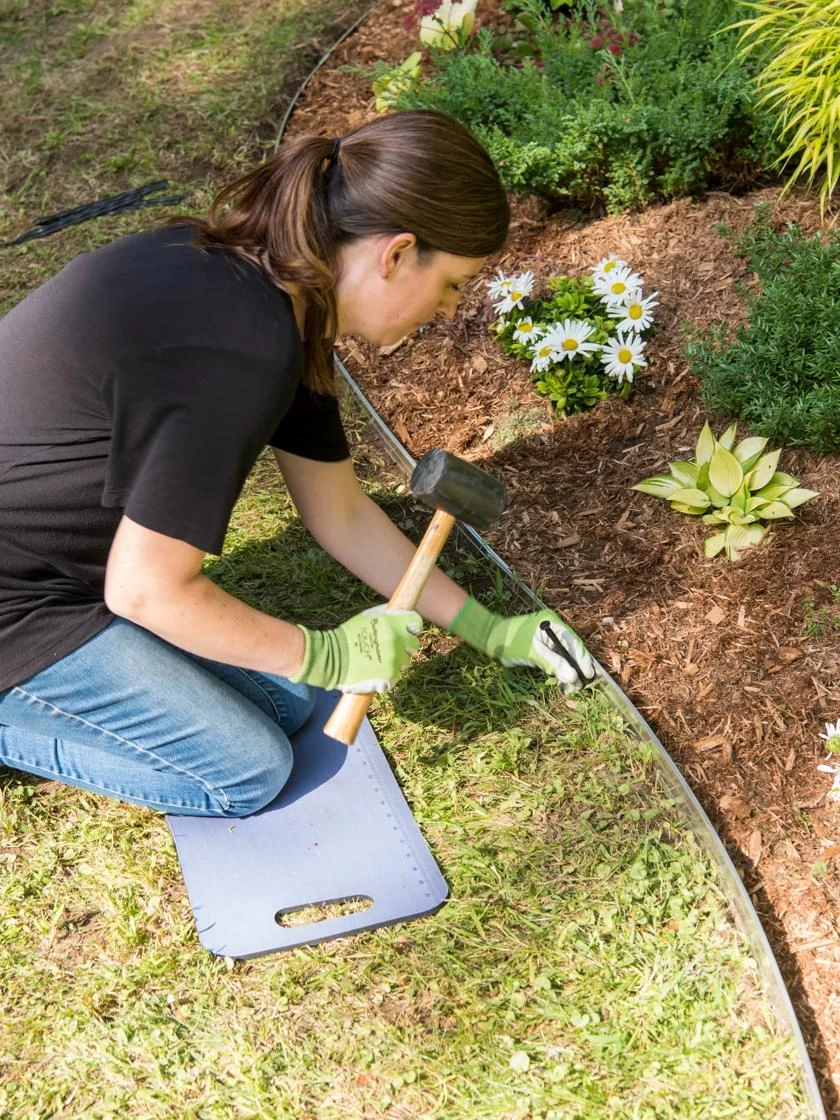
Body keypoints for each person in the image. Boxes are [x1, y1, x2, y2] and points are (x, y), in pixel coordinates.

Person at [0, 109, 594, 819]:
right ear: (397, 254)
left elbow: (340, 514)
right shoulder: (237, 356)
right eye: (453, 284)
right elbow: (147, 591)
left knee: (283, 701)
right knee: (247, 771)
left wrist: (489, 630)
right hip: (20, 606)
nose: (446, 309)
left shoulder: (274, 292)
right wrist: (326, 655)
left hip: (56, 574)